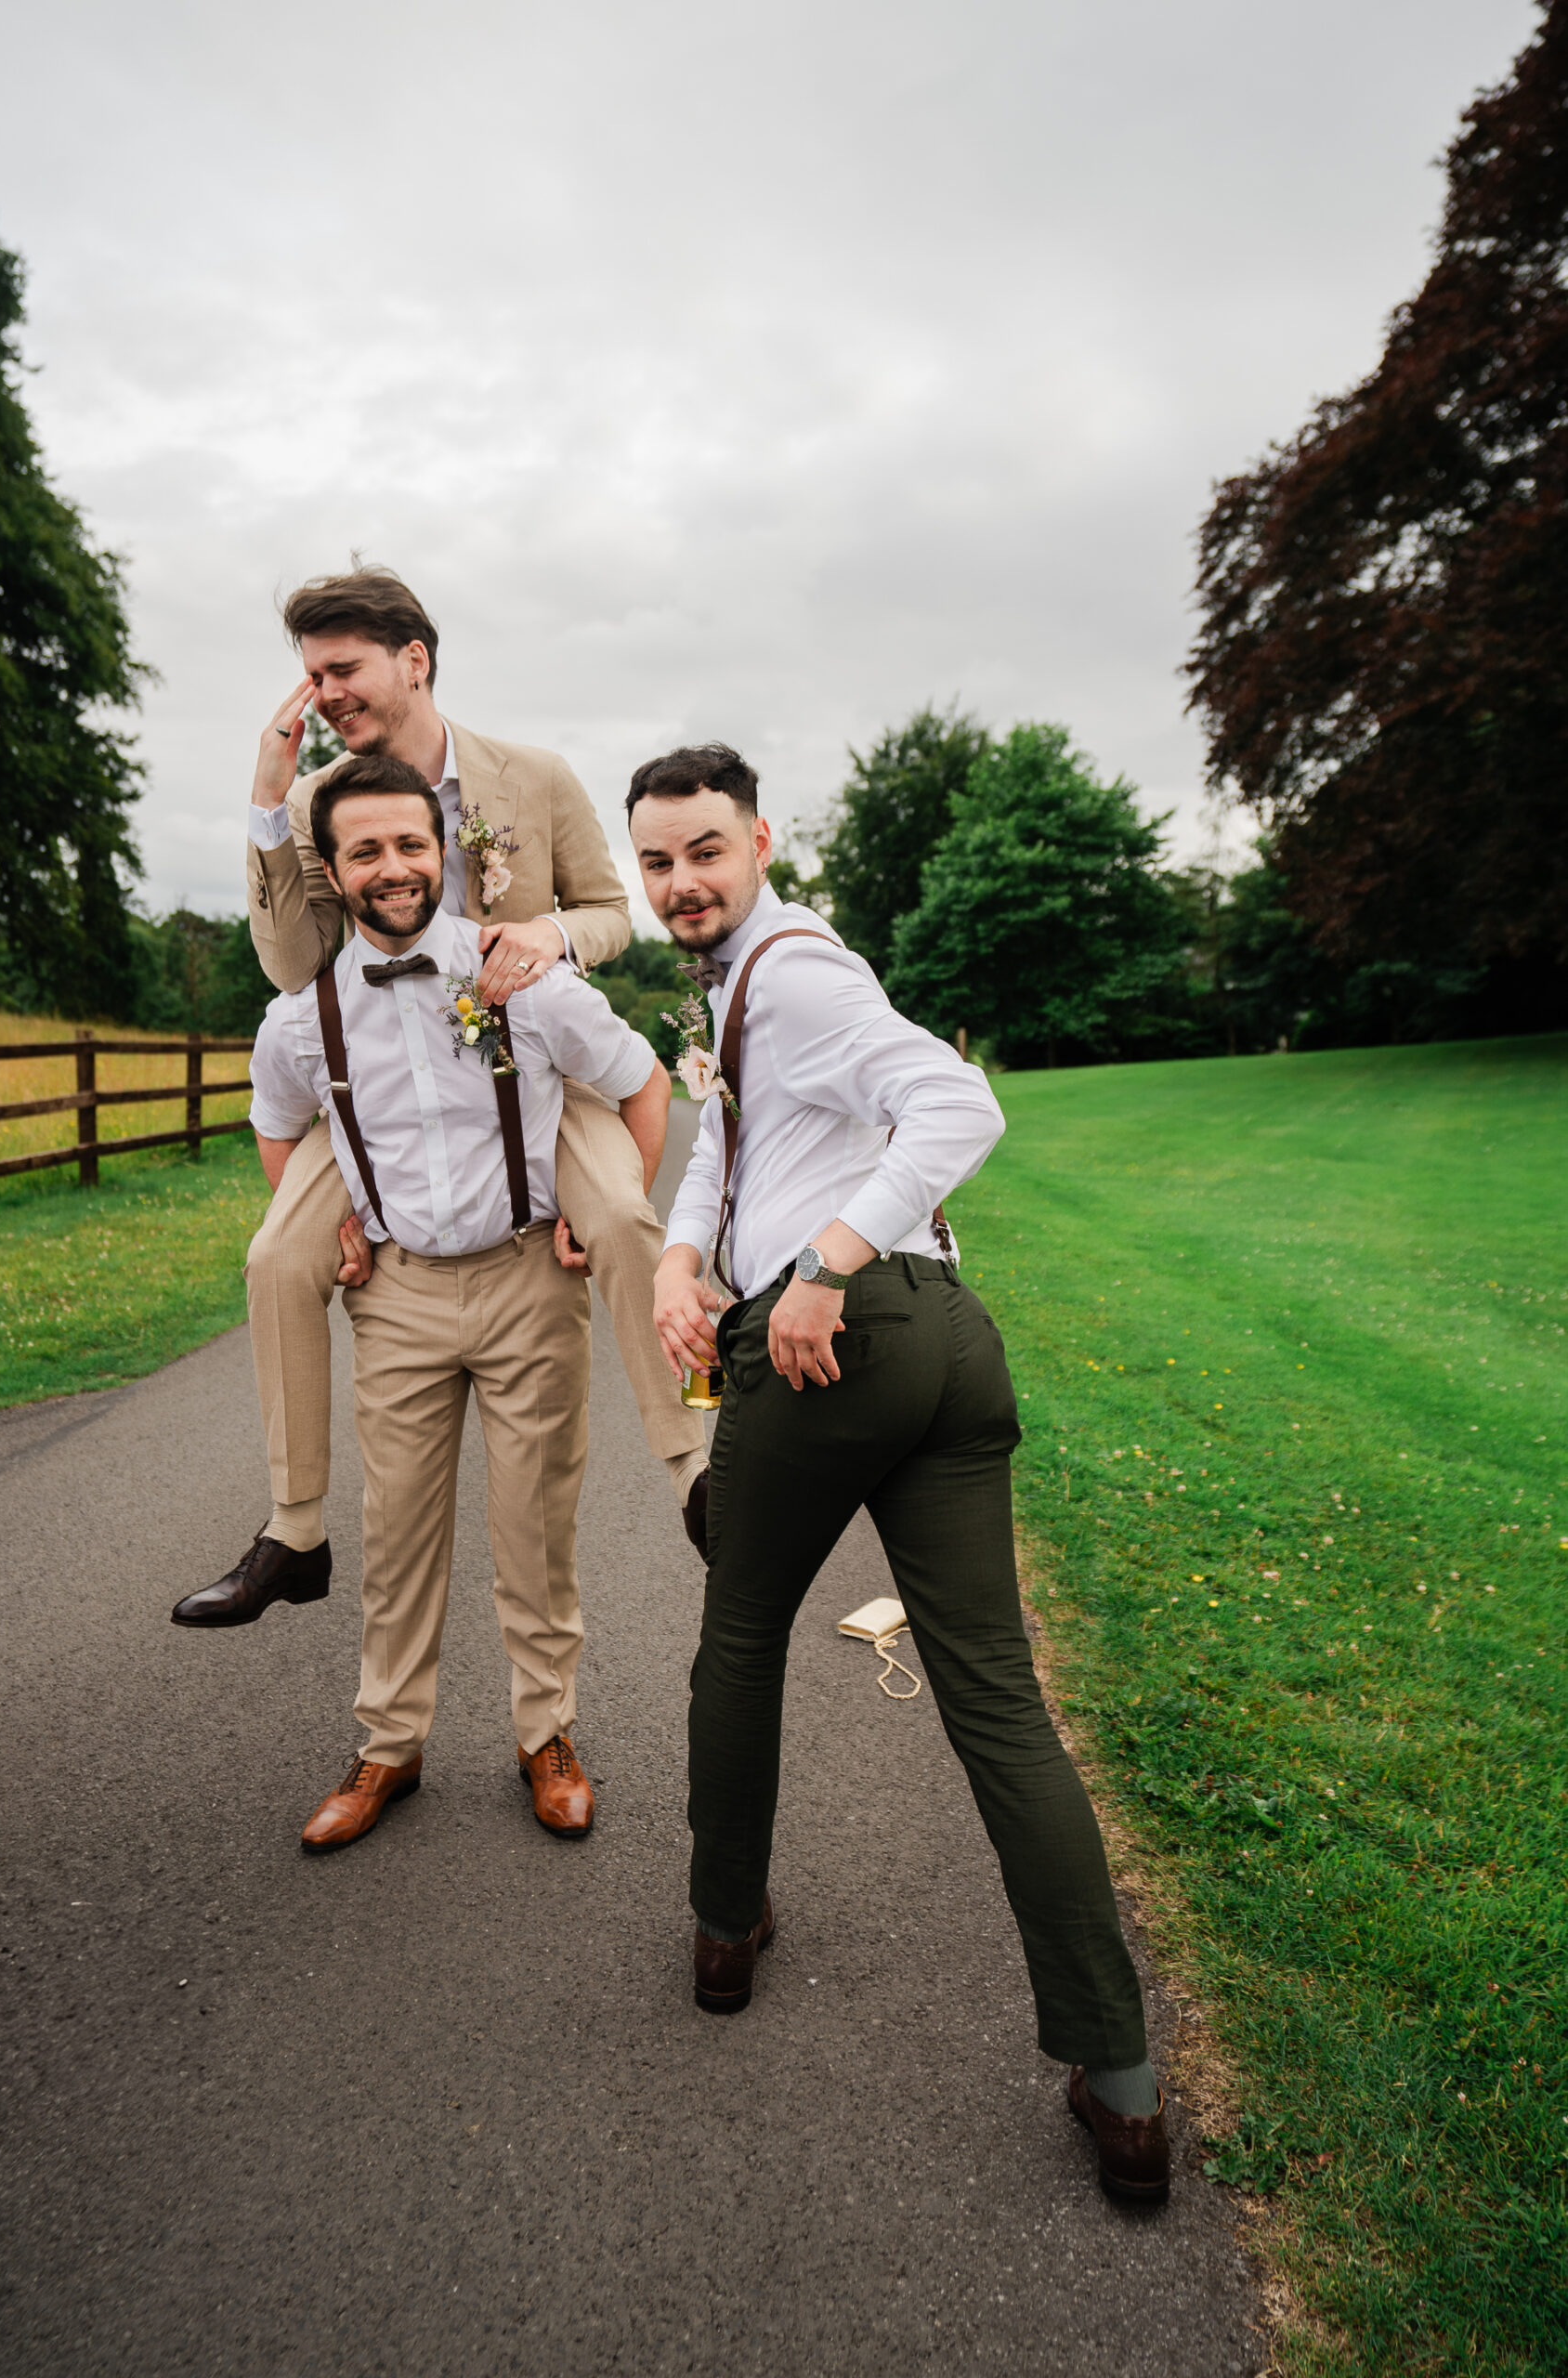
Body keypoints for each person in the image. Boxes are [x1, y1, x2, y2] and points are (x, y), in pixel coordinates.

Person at [633, 743, 1171, 2203]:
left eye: (702, 852)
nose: (679, 882)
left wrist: (815, 1270)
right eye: (656, 863)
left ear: (757, 843)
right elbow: (728, 1152)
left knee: (739, 1634)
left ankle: (724, 1929)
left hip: (839, 1344)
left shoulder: (794, 974)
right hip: (949, 1343)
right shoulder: (745, 986)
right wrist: (686, 1261)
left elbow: (960, 1107)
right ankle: (1118, 2086)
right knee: (993, 1697)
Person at [173, 566, 706, 1632]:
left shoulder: (535, 776)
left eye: (341, 668)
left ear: (412, 660)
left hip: (532, 1059)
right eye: (310, 675)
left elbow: (610, 911)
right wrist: (270, 802)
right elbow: (290, 967)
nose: (322, 692)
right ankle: (293, 1529)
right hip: (381, 1078)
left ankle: (700, 1467)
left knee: (622, 1217)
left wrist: (551, 936)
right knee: (279, 1253)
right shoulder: (323, 799)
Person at [246, 751, 671, 1849]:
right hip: (399, 1296)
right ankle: (389, 1746)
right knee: (398, 1534)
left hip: (529, 1274)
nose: (393, 867)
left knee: (537, 1524)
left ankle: (548, 1736)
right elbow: (279, 1124)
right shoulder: (303, 1017)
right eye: (366, 850)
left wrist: (597, 1201)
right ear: (334, 872)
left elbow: (639, 1081)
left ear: (443, 851)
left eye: (410, 843)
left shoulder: (522, 974)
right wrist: (331, 1225)